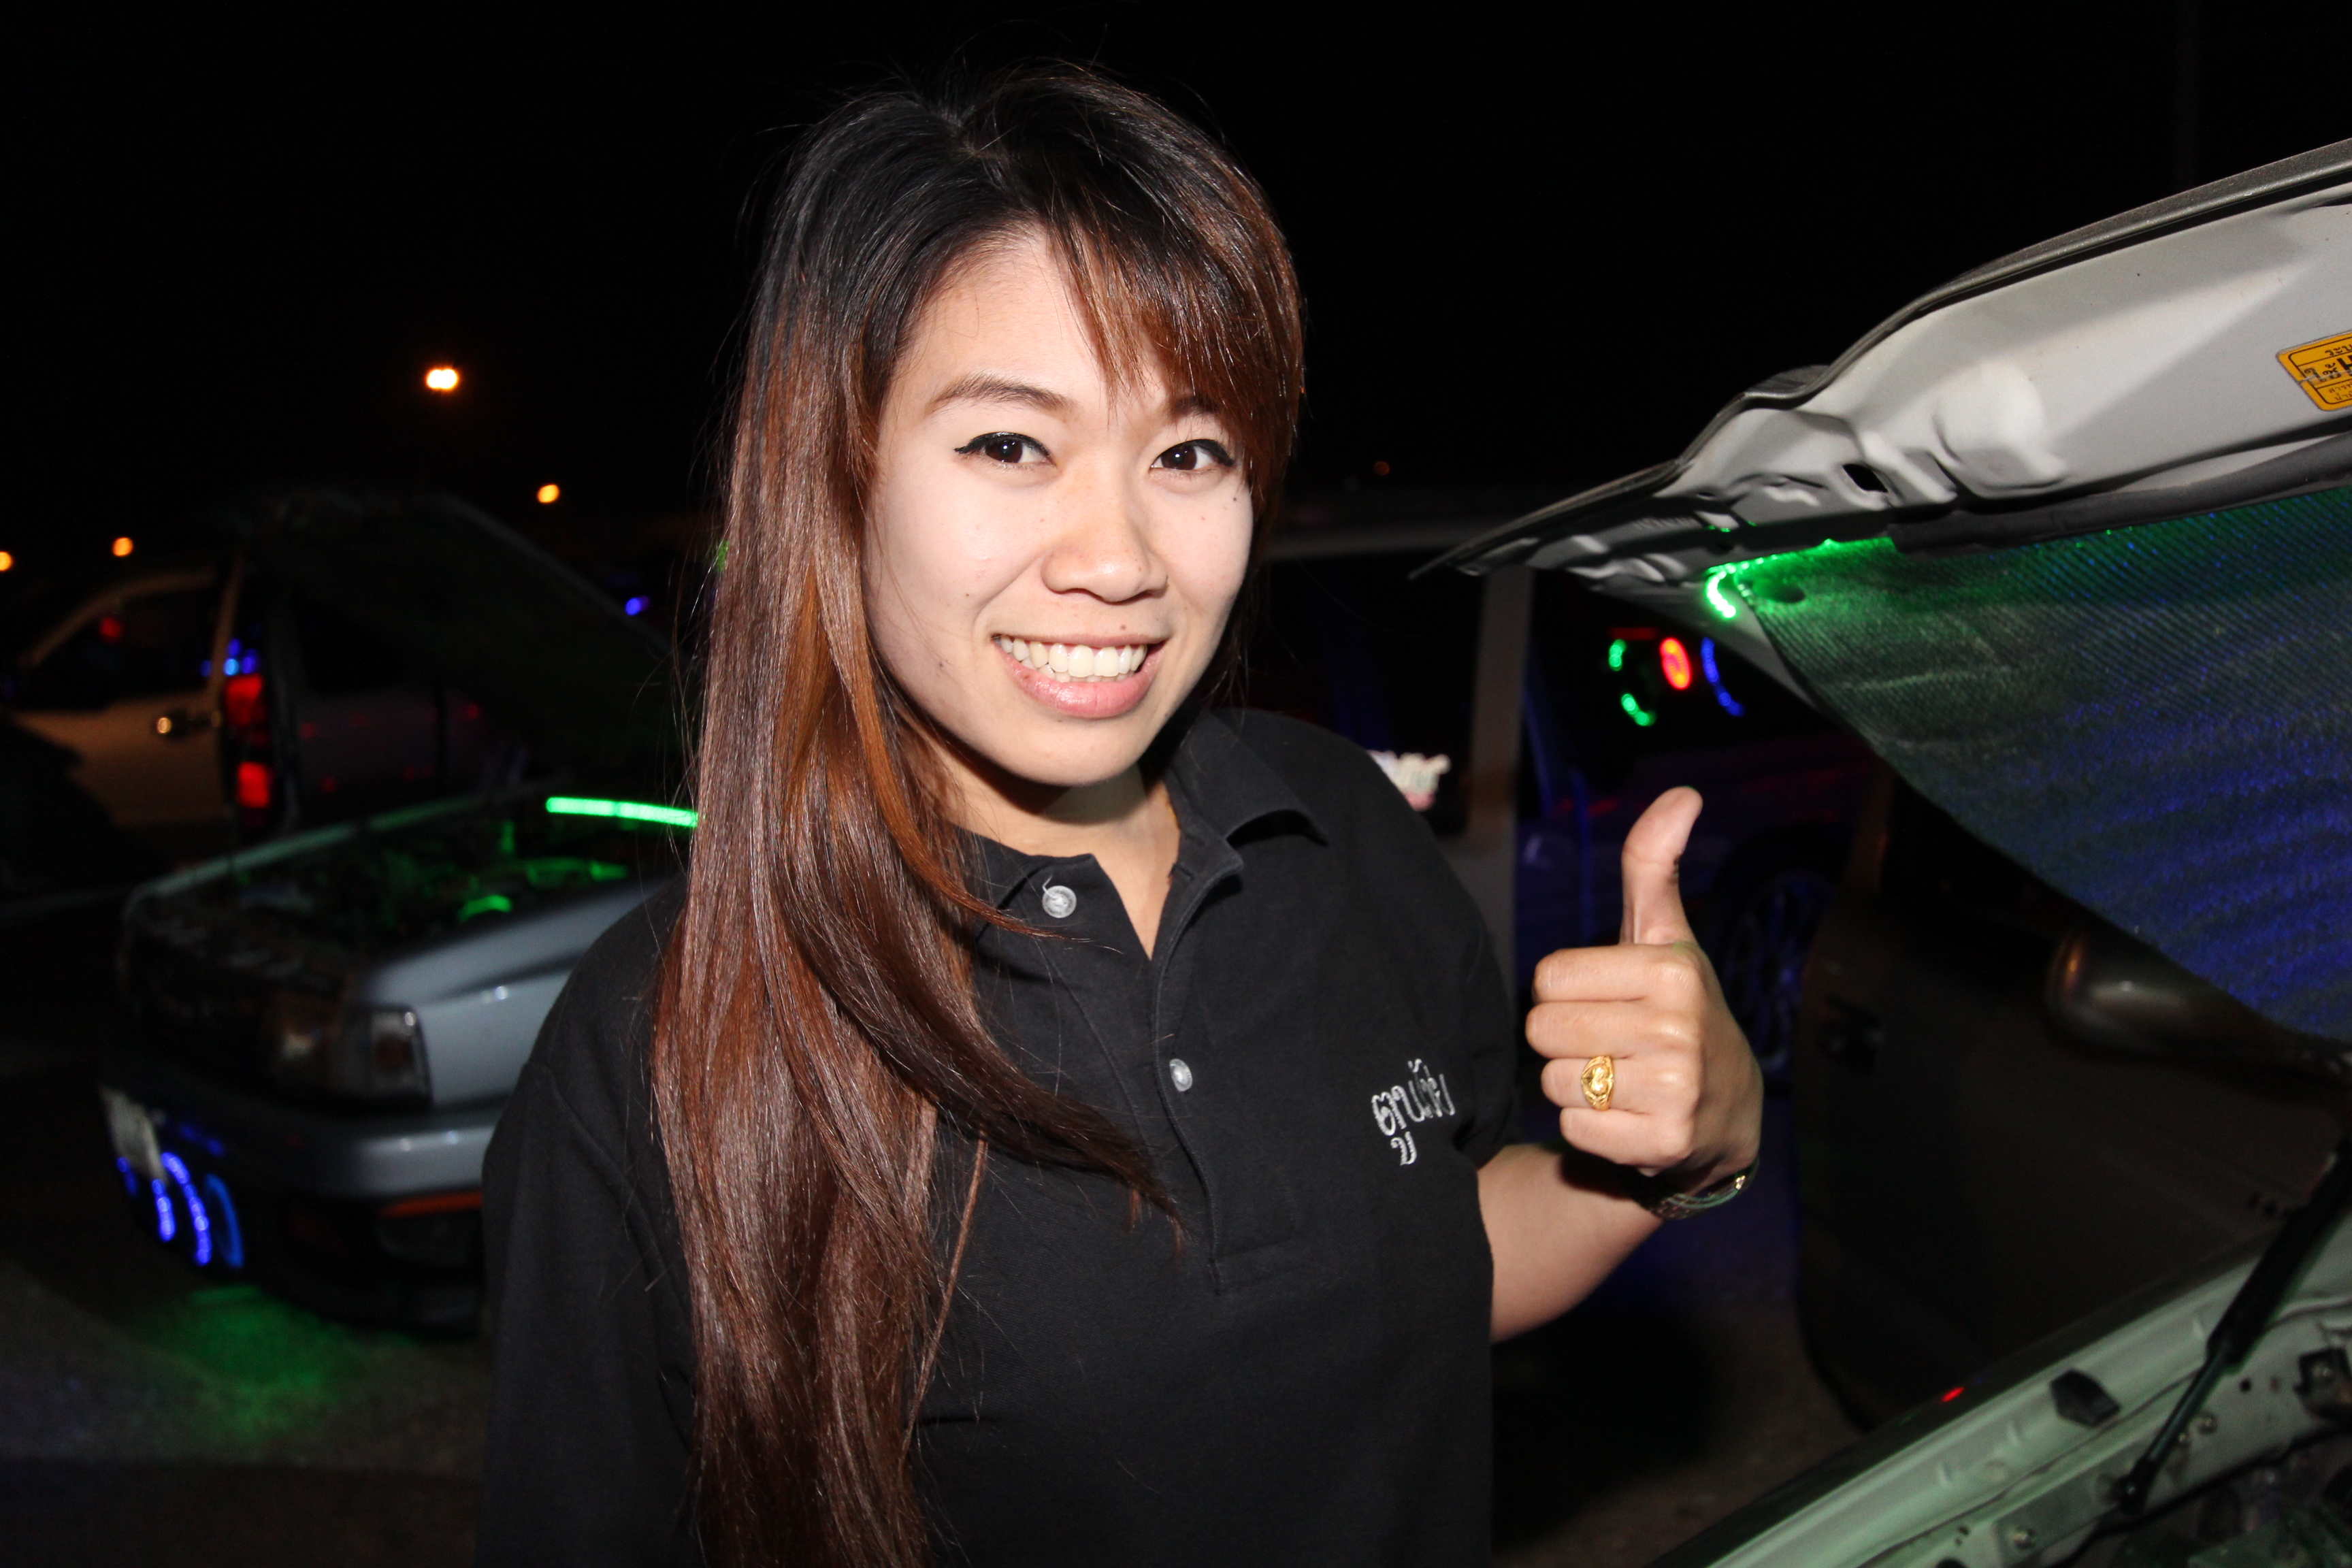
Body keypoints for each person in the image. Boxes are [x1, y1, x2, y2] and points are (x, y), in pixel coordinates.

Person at [477, 63, 1763, 1568]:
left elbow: (1444, 1250)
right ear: (839, 477)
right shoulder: (656, 1044)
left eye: (1188, 453)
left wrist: (1676, 1151)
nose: (1120, 557)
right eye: (1011, 445)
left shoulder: (1334, 821)